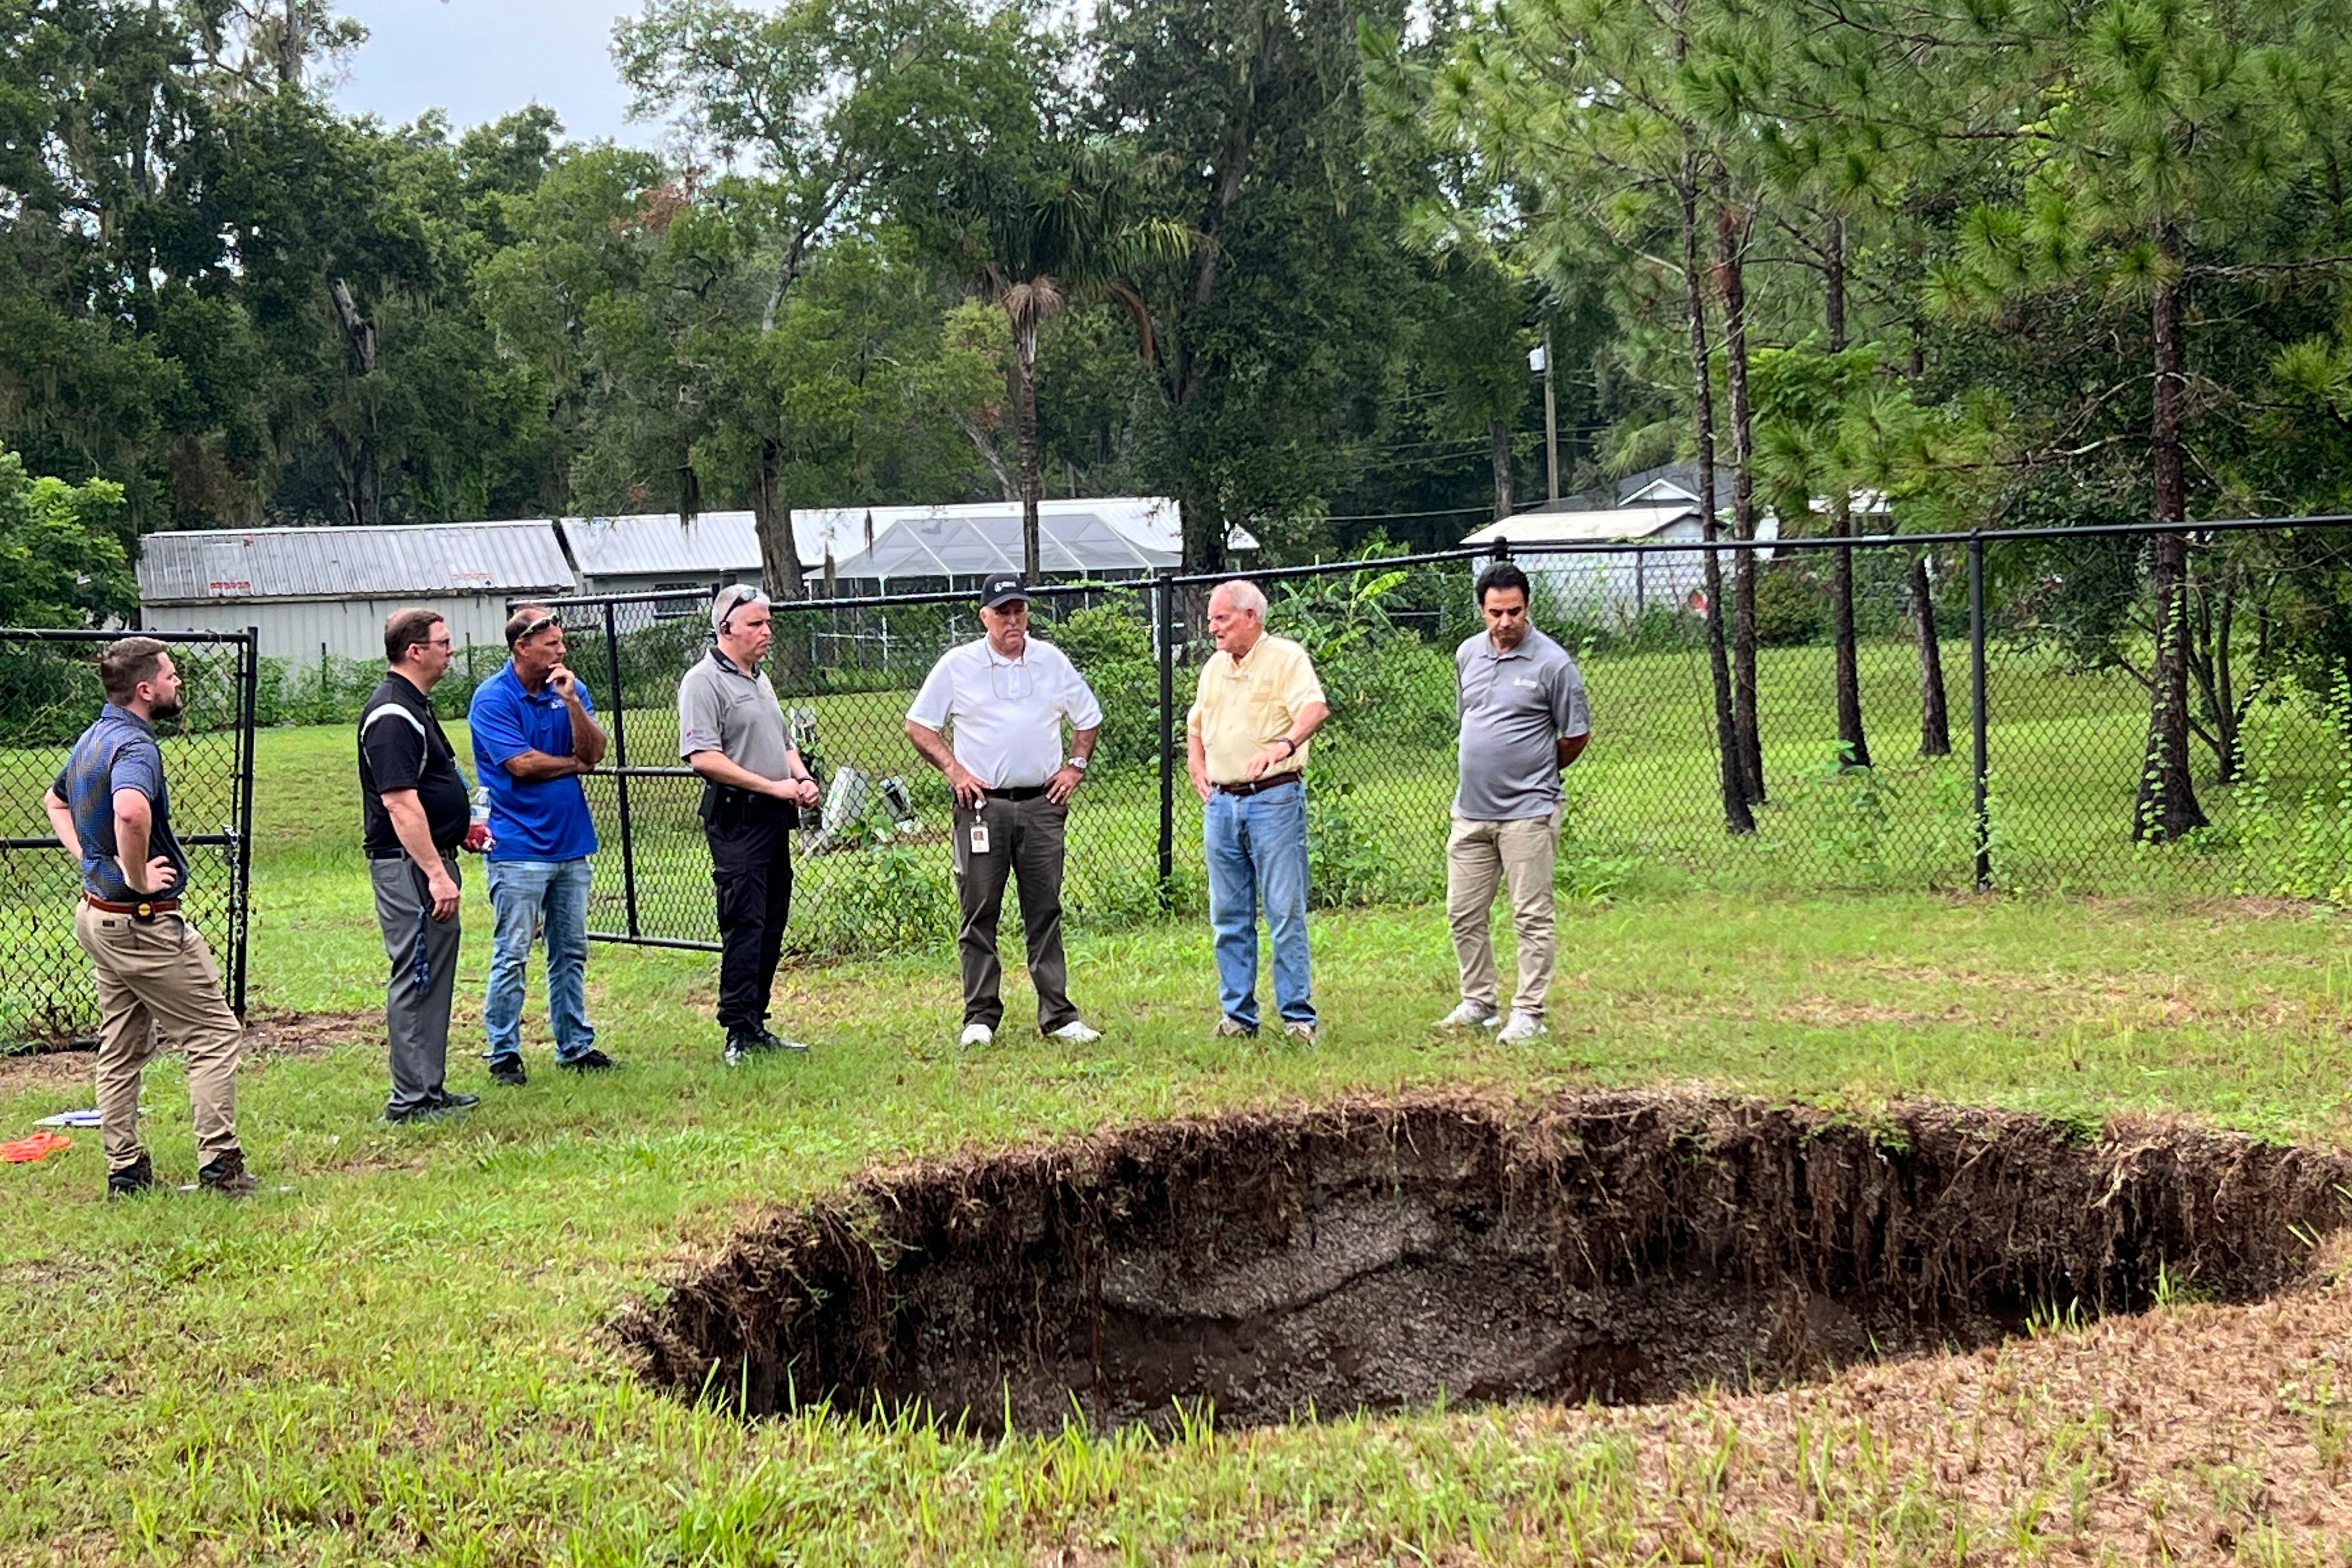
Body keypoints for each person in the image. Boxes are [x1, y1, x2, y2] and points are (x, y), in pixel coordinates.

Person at [40, 638, 254, 1196]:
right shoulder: (135, 746)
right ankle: (221, 1168)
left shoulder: (93, 738)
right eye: (170, 675)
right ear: (145, 690)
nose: (177, 682)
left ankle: (126, 1171)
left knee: (121, 1045)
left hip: (97, 918)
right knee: (213, 1034)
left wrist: (91, 859)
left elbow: (55, 800)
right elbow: (131, 811)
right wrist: (134, 877)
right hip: (140, 922)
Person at [906, 574, 1105, 1049]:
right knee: (979, 911)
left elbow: (1088, 717)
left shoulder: (1051, 661)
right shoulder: (959, 665)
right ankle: (980, 1016)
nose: (1013, 621)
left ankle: (1057, 1014)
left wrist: (1074, 767)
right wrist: (956, 772)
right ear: (985, 618)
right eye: (1003, 613)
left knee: (1045, 909)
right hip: (983, 807)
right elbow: (919, 725)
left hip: (1041, 804)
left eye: (1019, 611)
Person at [1440, 561, 1591, 1045]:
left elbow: (1576, 735)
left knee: (1531, 915)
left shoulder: (1553, 664)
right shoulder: (1468, 655)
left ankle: (1528, 1012)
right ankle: (1480, 1001)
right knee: (1463, 912)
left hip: (1528, 812)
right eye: (1495, 612)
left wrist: (1536, 772)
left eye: (1514, 611)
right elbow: (1471, 718)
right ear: (1482, 610)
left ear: (1528, 608)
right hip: (1471, 813)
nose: (1505, 622)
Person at [678, 585, 825, 1065]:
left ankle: (757, 1019)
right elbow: (704, 758)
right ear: (726, 629)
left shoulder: (760, 679)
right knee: (744, 919)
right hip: (736, 814)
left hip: (773, 815)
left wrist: (800, 778)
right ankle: (736, 1028)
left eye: (768, 624)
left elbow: (783, 743)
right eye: (756, 625)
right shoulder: (703, 682)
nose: (767, 632)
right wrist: (771, 786)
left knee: (771, 920)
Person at [468, 603, 615, 1083]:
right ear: (522, 647)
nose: (561, 651)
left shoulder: (570, 689)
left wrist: (573, 703)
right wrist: (573, 765)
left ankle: (575, 1044)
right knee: (513, 951)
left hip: (571, 844)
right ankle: (503, 1052)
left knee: (570, 950)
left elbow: (594, 751)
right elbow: (522, 765)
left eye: (561, 642)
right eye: (551, 644)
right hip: (517, 847)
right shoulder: (493, 699)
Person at [1185, 579, 1329, 1042]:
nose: (1213, 629)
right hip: (1222, 805)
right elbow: (1196, 723)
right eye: (1211, 620)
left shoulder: (1286, 658)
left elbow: (1315, 708)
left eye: (1221, 619)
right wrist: (1196, 762)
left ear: (1251, 617)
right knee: (1228, 916)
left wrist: (1283, 745)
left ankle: (1297, 1018)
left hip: (1274, 799)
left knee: (1284, 911)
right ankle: (1238, 1016)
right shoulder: (1213, 668)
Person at [359, 608, 487, 1122]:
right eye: (443, 642)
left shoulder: (415, 705)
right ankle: (411, 1100)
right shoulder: (392, 714)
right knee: (416, 971)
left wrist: (459, 830)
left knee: (431, 973)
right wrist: (435, 873)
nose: (450, 650)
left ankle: (429, 1088)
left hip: (429, 858)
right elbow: (399, 803)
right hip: (409, 868)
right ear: (415, 651)